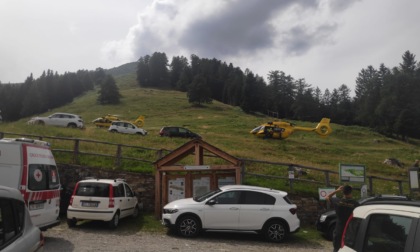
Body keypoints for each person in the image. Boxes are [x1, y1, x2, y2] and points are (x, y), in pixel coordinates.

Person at [325, 185, 359, 252]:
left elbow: (327, 197)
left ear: (343, 192)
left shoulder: (337, 201)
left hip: (338, 229)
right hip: (349, 230)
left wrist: (337, 190)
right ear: (351, 192)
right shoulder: (355, 203)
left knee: (336, 248)